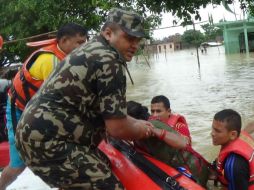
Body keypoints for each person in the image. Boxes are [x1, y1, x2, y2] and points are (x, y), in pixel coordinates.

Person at [15, 8, 154, 190]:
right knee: (108, 186)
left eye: (138, 40)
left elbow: (113, 115)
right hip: (48, 142)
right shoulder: (109, 61)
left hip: (34, 136)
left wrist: (135, 122)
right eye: (129, 38)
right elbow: (117, 128)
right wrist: (144, 130)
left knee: (102, 163)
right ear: (108, 33)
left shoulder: (91, 49)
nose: (135, 45)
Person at [0, 23, 88, 190]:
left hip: (38, 107)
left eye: (85, 42)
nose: (83, 47)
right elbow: (61, 101)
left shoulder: (64, 55)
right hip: (19, 109)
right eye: (79, 43)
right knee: (18, 164)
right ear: (63, 40)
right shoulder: (51, 61)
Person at [127, 100, 213, 187]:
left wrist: (156, 131)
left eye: (158, 111)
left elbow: (182, 143)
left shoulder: (152, 126)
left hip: (191, 169)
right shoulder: (136, 130)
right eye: (153, 111)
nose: (155, 114)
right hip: (179, 166)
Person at [211, 109, 254, 190]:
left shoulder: (234, 166)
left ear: (233, 134)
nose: (212, 133)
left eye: (217, 131)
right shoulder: (239, 136)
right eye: (213, 128)